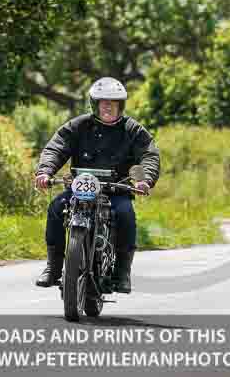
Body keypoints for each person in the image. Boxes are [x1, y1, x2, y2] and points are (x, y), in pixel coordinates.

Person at [33, 77, 160, 293]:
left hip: (116, 190)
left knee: (126, 214)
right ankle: (53, 268)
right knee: (56, 208)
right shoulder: (78, 125)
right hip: (80, 189)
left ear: (122, 105)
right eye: (103, 102)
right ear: (95, 104)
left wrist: (144, 179)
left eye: (114, 102)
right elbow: (56, 147)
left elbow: (149, 154)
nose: (108, 106)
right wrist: (45, 171)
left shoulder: (133, 130)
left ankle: (122, 273)